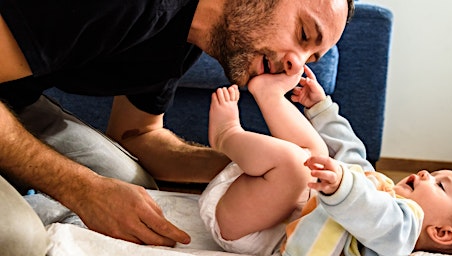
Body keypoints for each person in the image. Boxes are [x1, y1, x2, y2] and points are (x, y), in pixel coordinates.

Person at [0, 0, 355, 254]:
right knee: (18, 239)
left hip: (16, 100)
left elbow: (139, 136)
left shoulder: (189, 34)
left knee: (133, 182)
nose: (295, 64)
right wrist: (80, 188)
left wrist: (265, 170)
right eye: (304, 32)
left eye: (311, 59)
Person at [199, 66, 452, 255]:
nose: (426, 173)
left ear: (441, 233)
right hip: (274, 207)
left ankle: (226, 135)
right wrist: (321, 108)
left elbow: (376, 216)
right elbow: (351, 151)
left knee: (296, 166)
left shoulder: (398, 236)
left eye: (440, 185)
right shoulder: (378, 189)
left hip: (253, 231)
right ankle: (270, 95)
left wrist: (342, 186)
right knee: (316, 156)